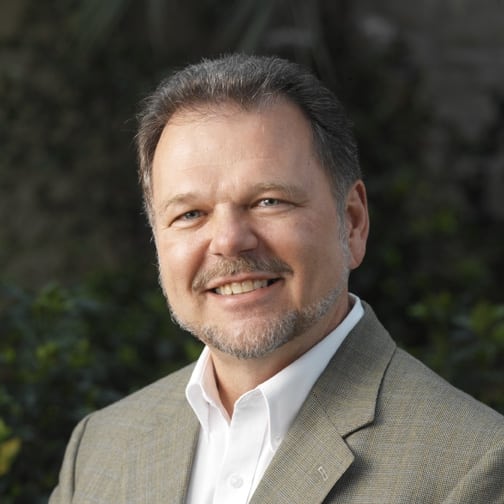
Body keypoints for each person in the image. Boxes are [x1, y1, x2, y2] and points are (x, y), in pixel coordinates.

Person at [50, 54, 504, 504]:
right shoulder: (99, 448)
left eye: (268, 201)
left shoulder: (473, 465)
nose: (229, 241)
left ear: (352, 222)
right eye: (190, 214)